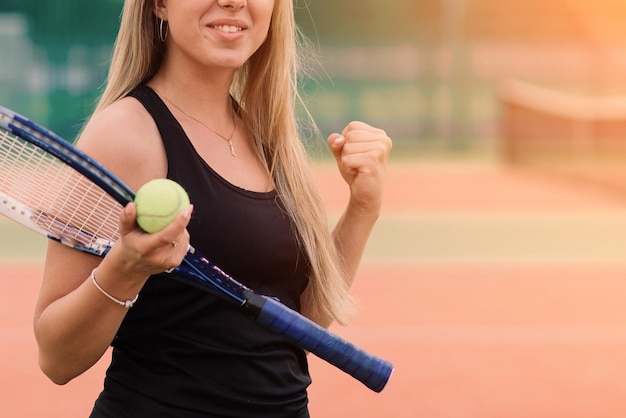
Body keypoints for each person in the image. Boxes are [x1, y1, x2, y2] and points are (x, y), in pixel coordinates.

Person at [33, 0, 392, 416]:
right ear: (159, 5)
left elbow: (297, 328)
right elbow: (56, 358)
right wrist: (126, 268)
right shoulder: (125, 134)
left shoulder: (264, 135)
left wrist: (363, 208)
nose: (234, 1)